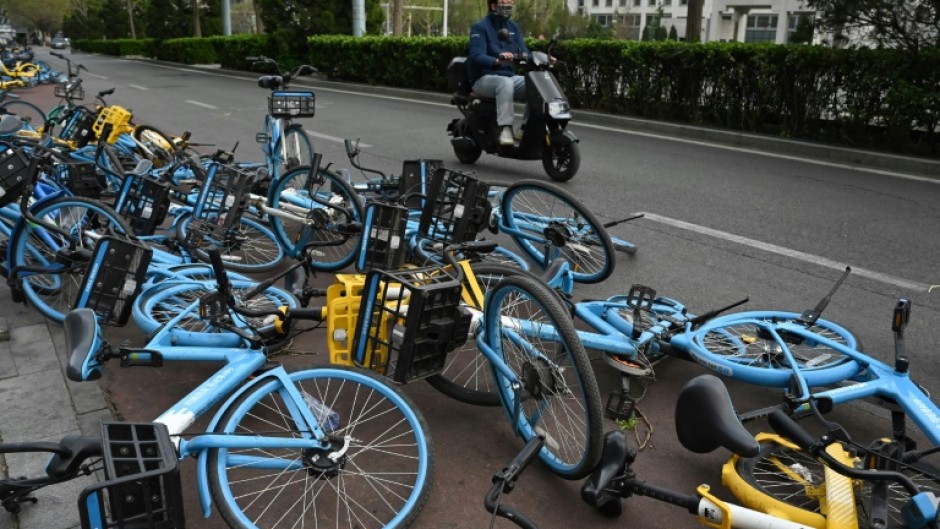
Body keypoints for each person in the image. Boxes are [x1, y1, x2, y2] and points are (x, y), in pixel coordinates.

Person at [467, 0, 530, 146]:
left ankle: (525, 128)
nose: (508, 6)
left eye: (510, 2)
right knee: (504, 83)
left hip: (509, 77)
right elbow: (476, 55)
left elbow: (524, 52)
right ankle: (505, 129)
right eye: (503, 2)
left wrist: (544, 58)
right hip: (483, 78)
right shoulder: (480, 27)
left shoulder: (513, 27)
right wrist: (496, 60)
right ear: (494, 6)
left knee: (533, 84)